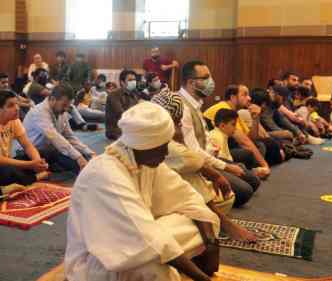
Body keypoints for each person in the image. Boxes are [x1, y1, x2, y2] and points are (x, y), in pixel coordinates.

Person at [65, 102, 220, 281]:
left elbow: (187, 197)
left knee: (195, 222)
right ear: (144, 145)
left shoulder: (145, 161)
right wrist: (201, 278)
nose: (165, 153)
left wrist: (210, 242)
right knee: (153, 265)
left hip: (137, 245)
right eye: (162, 147)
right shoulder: (105, 174)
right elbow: (145, 238)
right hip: (97, 263)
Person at [153, 91, 257, 242]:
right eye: (176, 122)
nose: (179, 125)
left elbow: (191, 154)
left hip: (203, 162)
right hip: (161, 186)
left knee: (247, 176)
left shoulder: (193, 108)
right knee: (241, 189)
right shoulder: (153, 135)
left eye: (178, 122)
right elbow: (190, 158)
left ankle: (215, 221)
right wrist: (216, 174)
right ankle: (222, 223)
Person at [178, 61, 258, 208]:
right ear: (191, 82)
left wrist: (214, 150)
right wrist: (225, 168)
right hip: (198, 165)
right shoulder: (182, 106)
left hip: (210, 157)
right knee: (245, 190)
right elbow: (193, 152)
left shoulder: (196, 103)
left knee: (252, 180)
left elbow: (204, 134)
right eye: (206, 78)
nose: (211, 82)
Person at [0, 90, 49, 185]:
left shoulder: (14, 120)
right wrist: (30, 165)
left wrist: (37, 162)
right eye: (11, 105)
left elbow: (27, 145)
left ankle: (27, 177)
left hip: (7, 161)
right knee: (6, 172)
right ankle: (33, 178)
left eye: (17, 104)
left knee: (46, 153)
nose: (17, 108)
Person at [23, 85, 96, 175]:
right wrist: (78, 157)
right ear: (53, 99)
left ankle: (55, 165)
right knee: (80, 164)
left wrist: (89, 153)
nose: (66, 109)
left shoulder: (61, 112)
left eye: (68, 106)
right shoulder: (39, 113)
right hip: (32, 153)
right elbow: (55, 138)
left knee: (87, 157)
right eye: (64, 105)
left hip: (51, 150)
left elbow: (69, 137)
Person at [203, 84, 270, 177]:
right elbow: (244, 141)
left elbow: (252, 137)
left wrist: (255, 119)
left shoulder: (234, 111)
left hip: (226, 146)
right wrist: (265, 166)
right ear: (233, 97)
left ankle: (252, 171)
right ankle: (251, 172)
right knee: (248, 152)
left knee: (259, 145)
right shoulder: (224, 108)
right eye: (245, 95)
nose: (249, 98)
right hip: (215, 151)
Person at [208, 109, 262, 190]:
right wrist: (237, 167)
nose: (235, 128)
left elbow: (228, 158)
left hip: (227, 165)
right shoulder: (217, 137)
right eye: (233, 124)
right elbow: (222, 162)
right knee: (254, 181)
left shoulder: (222, 135)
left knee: (251, 177)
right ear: (222, 125)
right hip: (222, 169)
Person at [105, 69, 141, 140]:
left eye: (134, 80)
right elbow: (122, 115)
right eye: (130, 80)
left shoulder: (134, 94)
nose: (133, 82)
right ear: (122, 82)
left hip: (130, 127)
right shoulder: (113, 95)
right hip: (116, 130)